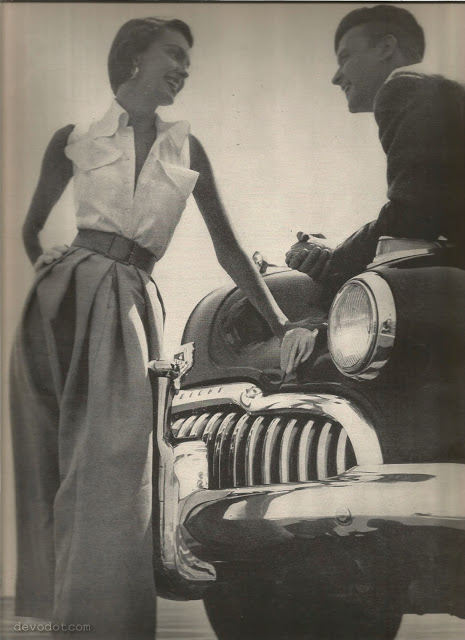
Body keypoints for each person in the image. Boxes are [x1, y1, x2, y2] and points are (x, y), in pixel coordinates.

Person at [10, 18, 317, 639]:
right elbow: (31, 229)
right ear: (133, 58)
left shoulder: (188, 147)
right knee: (54, 460)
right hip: (64, 300)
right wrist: (46, 269)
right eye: (173, 55)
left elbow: (229, 249)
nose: (183, 68)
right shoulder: (73, 138)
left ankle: (106, 627)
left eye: (188, 60)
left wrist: (282, 325)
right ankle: (57, 624)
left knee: (119, 464)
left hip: (129, 303)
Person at [286, 4, 465, 301]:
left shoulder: (403, 84)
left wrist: (335, 257)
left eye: (345, 57)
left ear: (385, 47)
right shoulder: (439, 86)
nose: (336, 77)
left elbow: (414, 217)